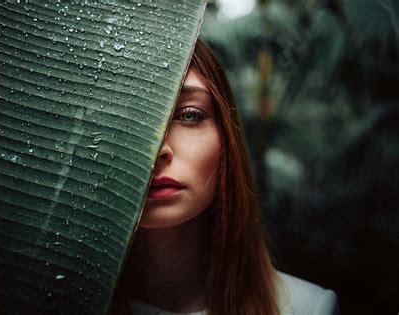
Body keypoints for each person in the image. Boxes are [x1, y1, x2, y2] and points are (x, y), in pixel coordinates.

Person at [110, 39, 339, 315]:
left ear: (227, 141)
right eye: (126, 120)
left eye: (190, 115)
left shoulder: (308, 308)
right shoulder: (51, 300)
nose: (159, 149)